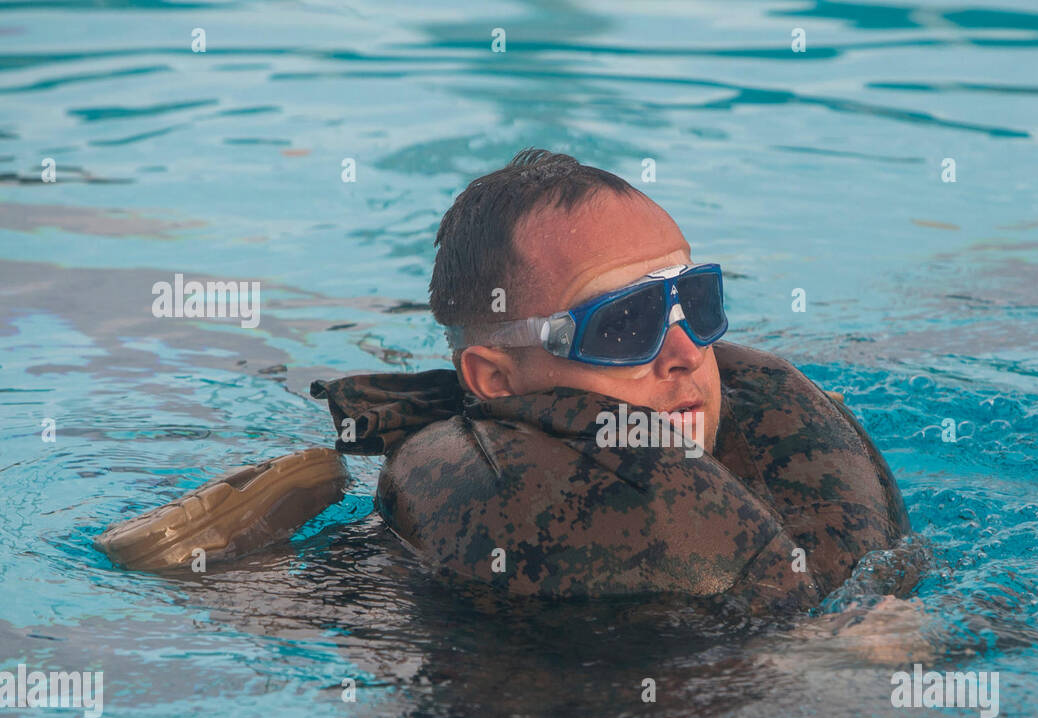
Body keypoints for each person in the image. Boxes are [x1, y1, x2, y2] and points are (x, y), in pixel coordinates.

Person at [96, 149, 913, 620]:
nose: (683, 353)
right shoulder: (484, 510)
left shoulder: (751, 456)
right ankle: (249, 566)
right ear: (493, 376)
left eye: (695, 302)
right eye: (625, 324)